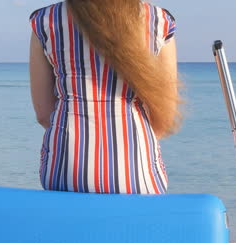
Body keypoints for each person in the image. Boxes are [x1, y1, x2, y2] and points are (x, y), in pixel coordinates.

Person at [28, 0, 180, 194]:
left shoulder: (45, 21)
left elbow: (43, 114)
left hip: (66, 170)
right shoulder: (159, 21)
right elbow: (165, 117)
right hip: (138, 175)